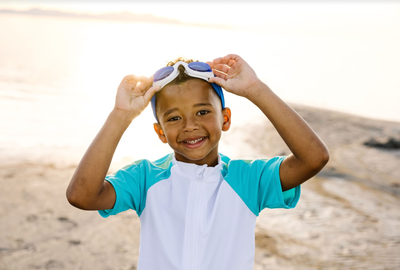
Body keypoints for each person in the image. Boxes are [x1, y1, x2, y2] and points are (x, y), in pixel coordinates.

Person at [66, 54, 329, 270]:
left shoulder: (248, 179)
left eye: (203, 112)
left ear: (225, 119)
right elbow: (82, 196)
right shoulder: (144, 178)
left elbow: (314, 158)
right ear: (160, 132)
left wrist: (255, 90)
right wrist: (120, 116)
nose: (190, 126)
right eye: (173, 118)